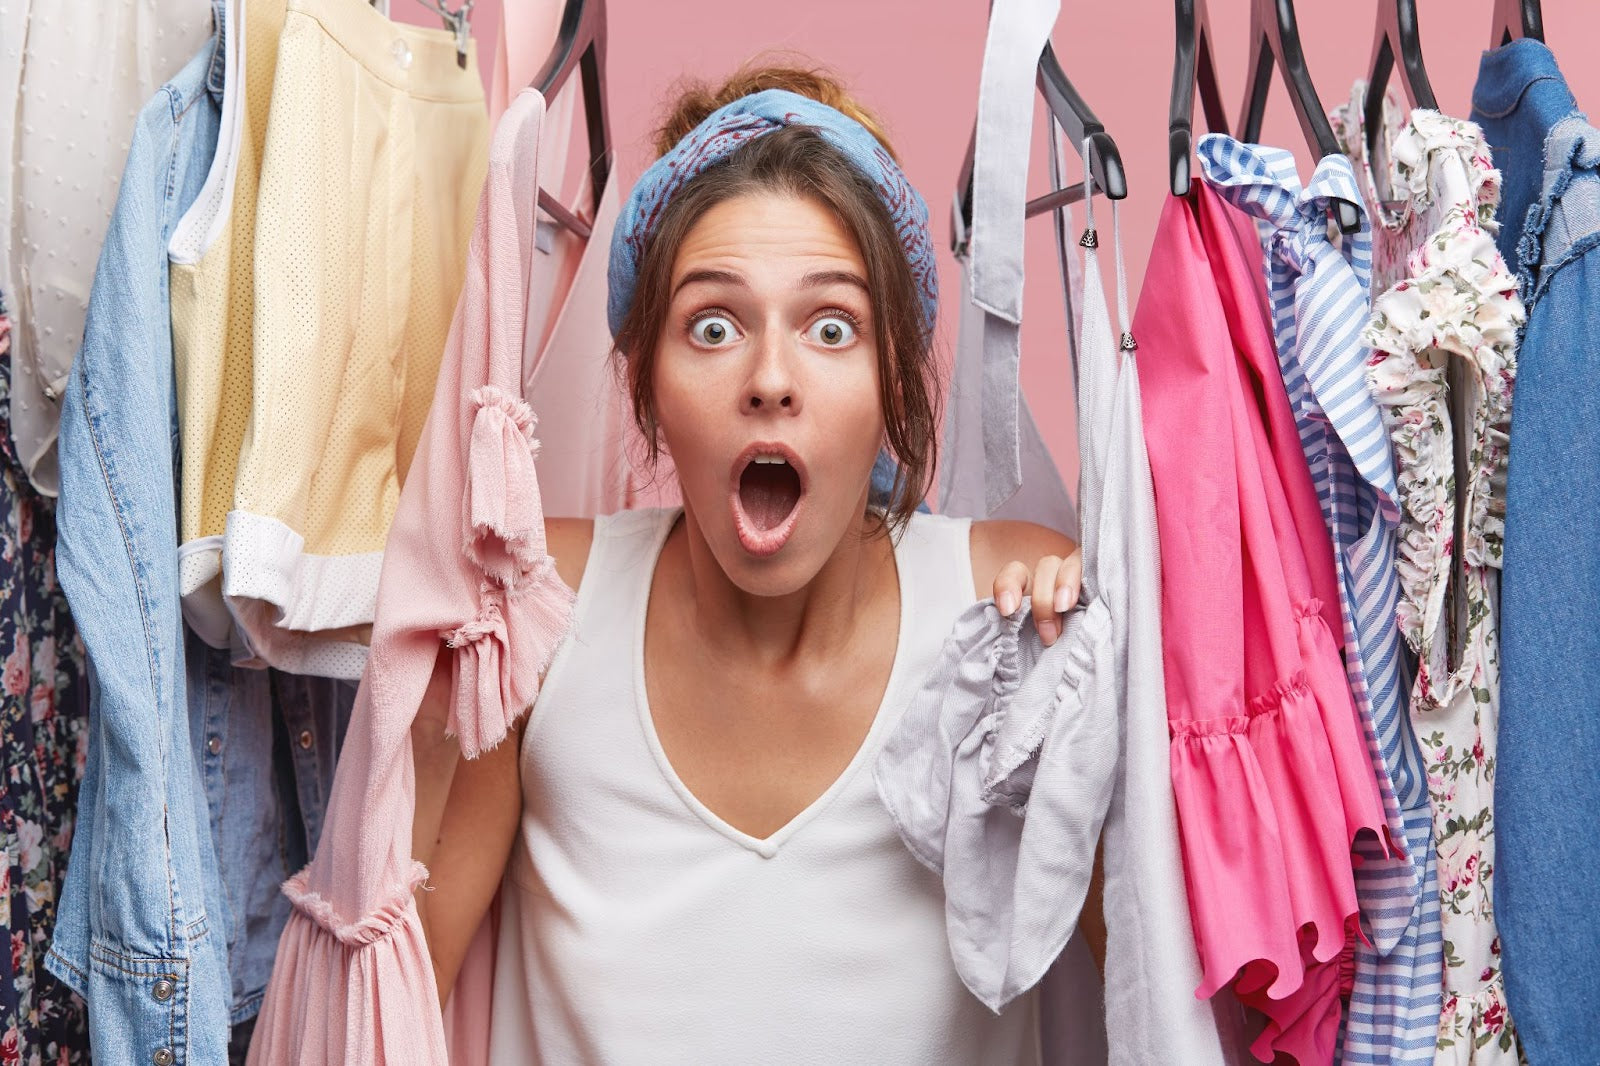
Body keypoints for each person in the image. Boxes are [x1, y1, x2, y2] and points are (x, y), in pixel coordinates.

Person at [412, 66, 1093, 1064]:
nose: (770, 379)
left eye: (830, 328)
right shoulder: (534, 605)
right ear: (645, 380)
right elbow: (391, 991)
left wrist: (1074, 695)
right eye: (714, 327)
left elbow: (1155, 995)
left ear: (896, 375)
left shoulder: (1005, 607)